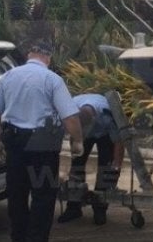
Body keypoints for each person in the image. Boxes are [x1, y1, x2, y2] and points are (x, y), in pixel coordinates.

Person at [0, 39, 84, 242]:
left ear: (29, 55)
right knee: (44, 195)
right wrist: (77, 141)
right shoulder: (52, 79)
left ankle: (19, 237)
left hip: (14, 142)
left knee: (17, 193)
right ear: (48, 57)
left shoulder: (7, 77)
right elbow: (71, 117)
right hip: (44, 145)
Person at [57, 93, 123, 225]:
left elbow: (118, 142)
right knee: (77, 166)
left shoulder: (108, 114)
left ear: (93, 119)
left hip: (105, 134)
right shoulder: (71, 107)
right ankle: (74, 207)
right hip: (81, 133)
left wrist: (116, 165)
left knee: (106, 168)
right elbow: (72, 137)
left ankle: (100, 208)